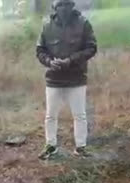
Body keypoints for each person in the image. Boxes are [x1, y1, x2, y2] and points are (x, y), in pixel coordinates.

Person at [36, 0, 97, 160]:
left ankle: (81, 147)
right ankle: (50, 146)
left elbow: (91, 47)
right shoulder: (47, 26)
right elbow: (40, 50)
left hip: (76, 78)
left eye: (67, 4)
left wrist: (71, 60)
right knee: (50, 116)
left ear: (72, 6)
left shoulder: (83, 23)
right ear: (55, 7)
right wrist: (49, 62)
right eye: (60, 5)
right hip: (54, 79)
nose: (63, 8)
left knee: (80, 115)